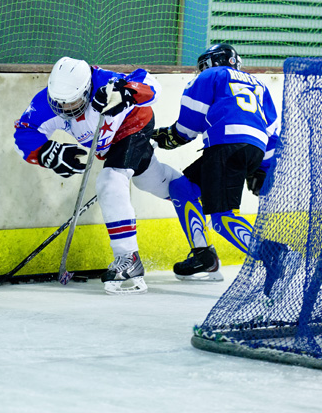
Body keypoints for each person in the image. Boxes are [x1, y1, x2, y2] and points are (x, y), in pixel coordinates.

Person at [14, 57, 193, 295]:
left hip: (134, 124)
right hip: (108, 145)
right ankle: (194, 192)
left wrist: (126, 92)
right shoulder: (45, 102)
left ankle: (128, 259)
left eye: (73, 102)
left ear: (87, 89)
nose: (65, 109)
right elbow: (24, 131)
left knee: (110, 181)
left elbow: (151, 83)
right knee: (149, 179)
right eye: (59, 103)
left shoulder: (105, 81)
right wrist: (48, 153)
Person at [151, 43, 283, 285]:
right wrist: (263, 169)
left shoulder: (212, 75)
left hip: (225, 148)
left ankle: (276, 255)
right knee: (183, 187)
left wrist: (168, 137)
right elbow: (273, 131)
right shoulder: (259, 85)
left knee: (222, 219)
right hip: (254, 149)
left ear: (214, 62)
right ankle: (203, 256)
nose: (201, 70)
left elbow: (189, 126)